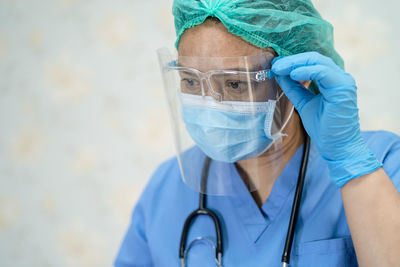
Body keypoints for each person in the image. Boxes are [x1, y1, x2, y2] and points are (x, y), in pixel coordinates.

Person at [115, 1, 400, 266]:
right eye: (190, 80)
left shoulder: (382, 164)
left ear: (296, 76)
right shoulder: (165, 189)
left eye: (235, 84)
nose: (208, 101)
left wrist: (349, 162)